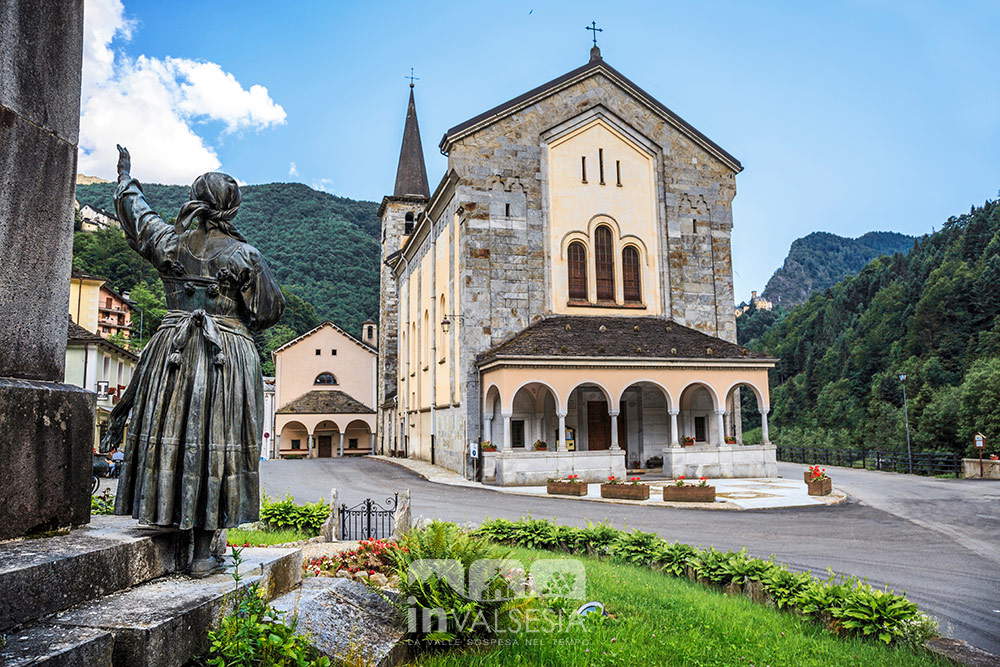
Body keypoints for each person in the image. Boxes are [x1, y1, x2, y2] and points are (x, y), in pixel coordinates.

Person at [102, 145, 284, 577]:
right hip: (225, 353)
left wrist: (126, 176)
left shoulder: (168, 241)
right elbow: (268, 311)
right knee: (216, 440)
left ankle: (165, 519)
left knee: (174, 432)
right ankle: (204, 551)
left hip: (173, 351)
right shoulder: (245, 256)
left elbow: (136, 213)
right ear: (230, 208)